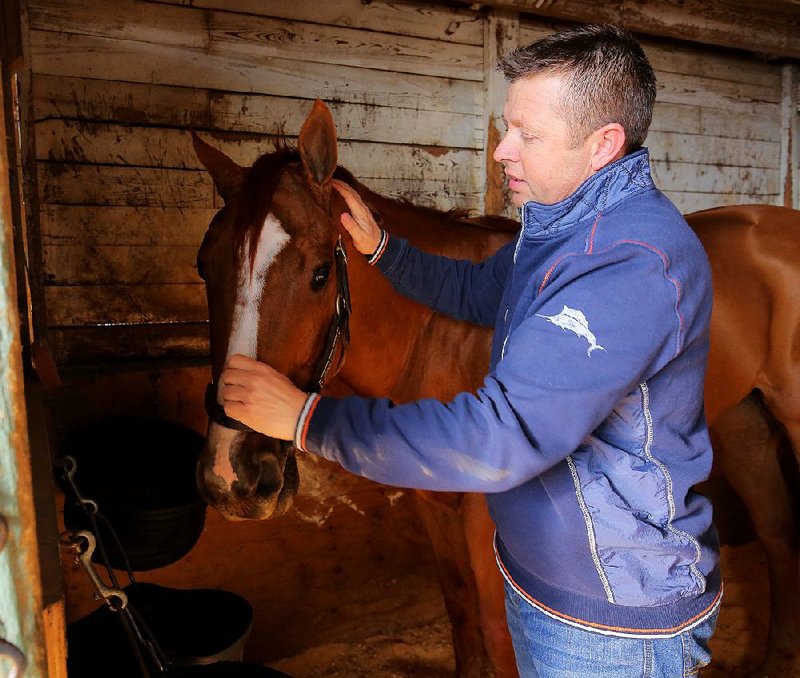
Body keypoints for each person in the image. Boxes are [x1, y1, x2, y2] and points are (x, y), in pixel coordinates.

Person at [220, 24, 721, 677]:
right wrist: (382, 250)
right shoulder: (561, 227)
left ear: (603, 144)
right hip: (547, 574)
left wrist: (306, 421)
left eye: (527, 135)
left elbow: (499, 437)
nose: (501, 152)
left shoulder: (627, 264)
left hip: (610, 614)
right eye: (506, 127)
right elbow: (478, 290)